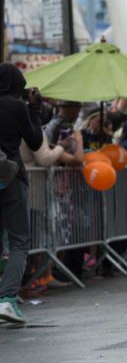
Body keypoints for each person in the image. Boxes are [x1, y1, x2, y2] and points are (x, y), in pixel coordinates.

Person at [0, 63, 43, 324]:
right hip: (10, 178)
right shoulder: (15, 106)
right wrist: (34, 110)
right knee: (18, 242)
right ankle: (7, 300)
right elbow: (35, 141)